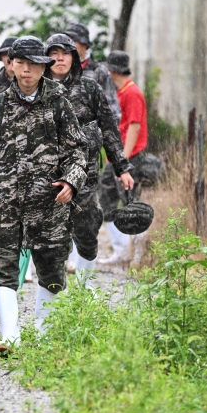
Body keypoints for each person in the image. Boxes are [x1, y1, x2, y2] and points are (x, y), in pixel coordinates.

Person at [0, 36, 88, 353]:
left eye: (33, 64)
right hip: (4, 203)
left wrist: (71, 182)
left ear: (42, 67)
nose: (26, 70)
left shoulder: (59, 103)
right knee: (4, 268)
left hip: (49, 203)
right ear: (11, 65)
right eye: (20, 63)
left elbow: (78, 152)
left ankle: (45, 335)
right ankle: (10, 336)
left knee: (50, 270)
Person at [43, 34, 134, 284]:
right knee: (49, 235)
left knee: (86, 226)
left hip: (85, 170)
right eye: (54, 53)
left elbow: (108, 130)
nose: (60, 58)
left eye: (65, 53)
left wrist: (121, 167)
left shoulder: (89, 88)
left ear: (74, 57)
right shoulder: (37, 90)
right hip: (45, 173)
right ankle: (50, 288)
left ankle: (85, 284)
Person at [99, 50, 156, 267]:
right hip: (115, 158)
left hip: (129, 158)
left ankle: (139, 253)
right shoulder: (119, 92)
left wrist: (122, 160)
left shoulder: (132, 93)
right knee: (107, 200)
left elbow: (134, 126)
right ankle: (122, 250)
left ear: (112, 70)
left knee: (134, 204)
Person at [64, 22, 121, 123]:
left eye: (73, 40)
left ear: (84, 44)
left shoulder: (99, 72)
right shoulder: (59, 70)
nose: (68, 45)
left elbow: (112, 112)